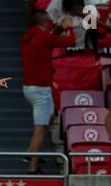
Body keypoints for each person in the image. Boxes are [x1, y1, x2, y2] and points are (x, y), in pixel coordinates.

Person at [21, 11, 76, 174]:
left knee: (50, 116)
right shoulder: (44, 37)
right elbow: (71, 42)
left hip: (30, 87)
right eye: (50, 22)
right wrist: (69, 28)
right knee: (41, 127)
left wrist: (59, 28)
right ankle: (33, 166)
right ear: (45, 23)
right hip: (41, 89)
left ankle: (30, 153)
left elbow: (51, 38)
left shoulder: (31, 36)